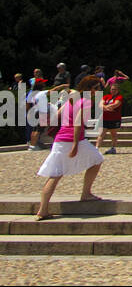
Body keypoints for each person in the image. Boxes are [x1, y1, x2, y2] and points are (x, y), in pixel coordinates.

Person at [35, 75, 106, 219]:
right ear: (88, 89)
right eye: (96, 88)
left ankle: (43, 210)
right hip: (73, 140)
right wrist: (74, 144)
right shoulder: (85, 102)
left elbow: (56, 116)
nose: (98, 91)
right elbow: (78, 123)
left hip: (60, 140)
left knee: (55, 174)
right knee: (97, 159)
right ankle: (86, 193)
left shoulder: (71, 100)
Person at [95, 82, 123, 154]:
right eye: (112, 89)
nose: (113, 91)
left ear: (117, 90)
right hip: (105, 118)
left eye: (115, 89)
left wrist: (105, 107)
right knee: (101, 134)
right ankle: (97, 148)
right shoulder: (106, 97)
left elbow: (115, 104)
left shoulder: (119, 97)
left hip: (114, 119)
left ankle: (113, 147)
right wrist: (107, 108)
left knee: (113, 133)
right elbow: (100, 105)